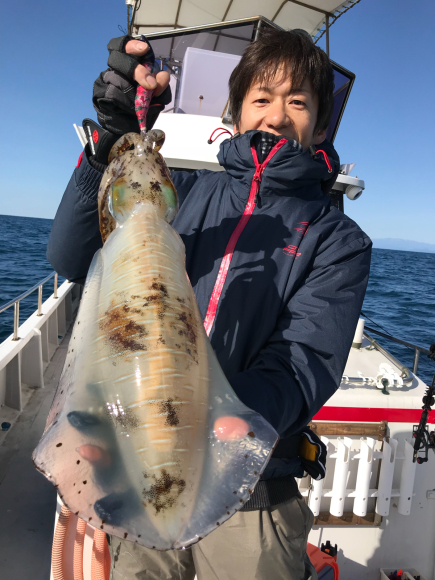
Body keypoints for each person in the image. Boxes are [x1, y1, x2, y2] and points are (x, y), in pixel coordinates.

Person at [47, 27, 371, 580]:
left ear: (319, 121)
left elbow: (303, 363)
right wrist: (109, 145)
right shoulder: (185, 193)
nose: (276, 114)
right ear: (238, 110)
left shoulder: (336, 239)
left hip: (254, 485)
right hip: (135, 461)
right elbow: (73, 256)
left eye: (297, 101)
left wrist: (212, 412)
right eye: (262, 98)